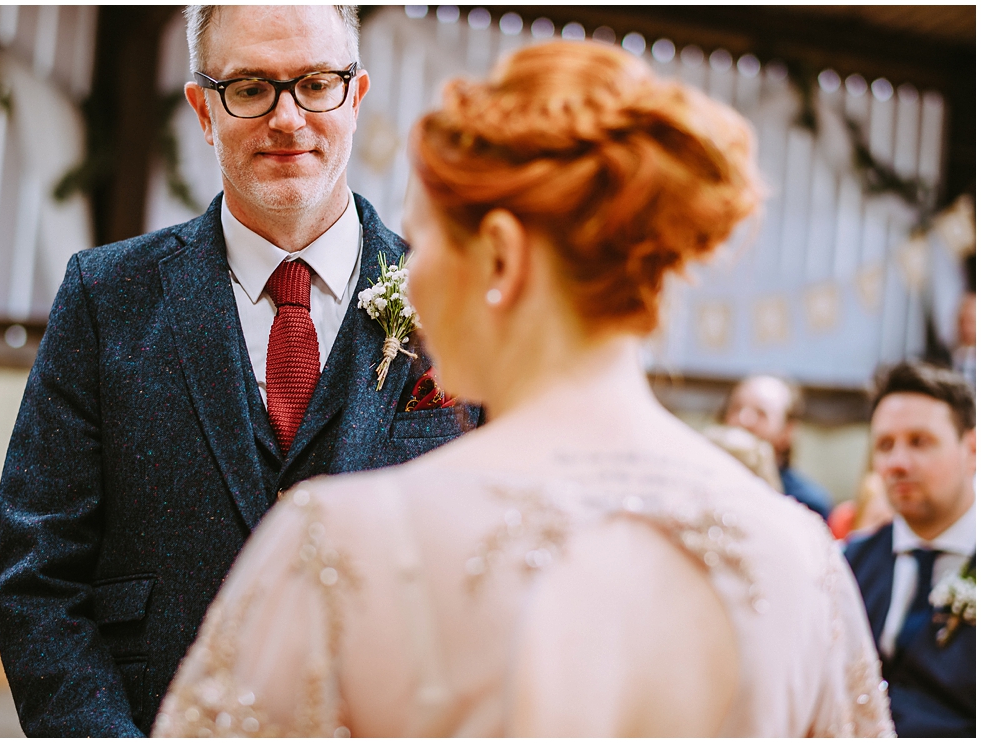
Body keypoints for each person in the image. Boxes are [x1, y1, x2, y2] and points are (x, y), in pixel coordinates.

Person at [154, 40, 893, 737]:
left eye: (424, 240)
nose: (408, 276)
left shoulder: (339, 544)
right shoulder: (800, 558)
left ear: (501, 256)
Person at [0, 6, 477, 737]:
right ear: (203, 108)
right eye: (249, 87)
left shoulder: (457, 304)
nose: (286, 119)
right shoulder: (105, 297)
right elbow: (39, 576)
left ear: (356, 96)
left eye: (316, 83)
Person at [845, 361, 975, 737]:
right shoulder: (851, 562)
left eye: (920, 442)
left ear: (971, 448)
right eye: (885, 445)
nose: (897, 464)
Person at [723, 374, 834, 520]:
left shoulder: (808, 503)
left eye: (761, 413)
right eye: (736, 408)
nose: (743, 420)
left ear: (787, 431)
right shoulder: (706, 481)